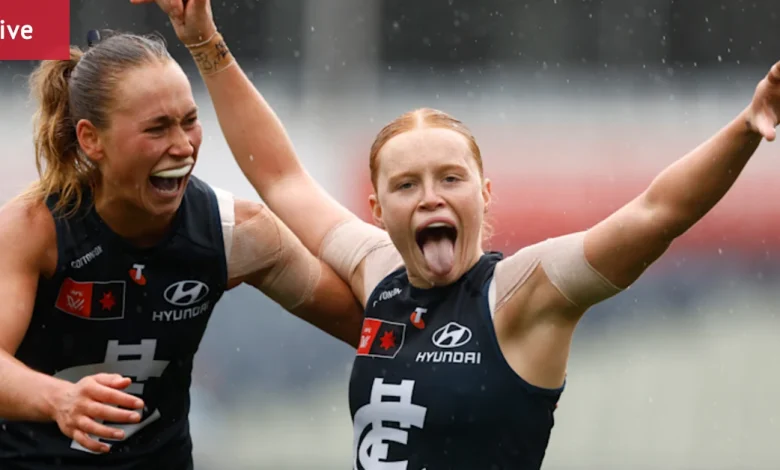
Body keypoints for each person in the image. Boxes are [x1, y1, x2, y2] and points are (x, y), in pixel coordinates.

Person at [147, 1, 780, 468]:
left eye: (450, 178)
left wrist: (748, 127)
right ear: (376, 207)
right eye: (406, 185)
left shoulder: (522, 295)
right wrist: (205, 44)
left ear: (483, 194)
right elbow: (281, 179)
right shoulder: (377, 274)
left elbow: (656, 212)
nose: (429, 197)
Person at [0, 19, 365, 470]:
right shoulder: (34, 228)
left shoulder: (236, 232)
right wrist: (60, 400)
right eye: (156, 129)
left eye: (189, 122)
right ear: (91, 140)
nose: (182, 147)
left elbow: (367, 329)